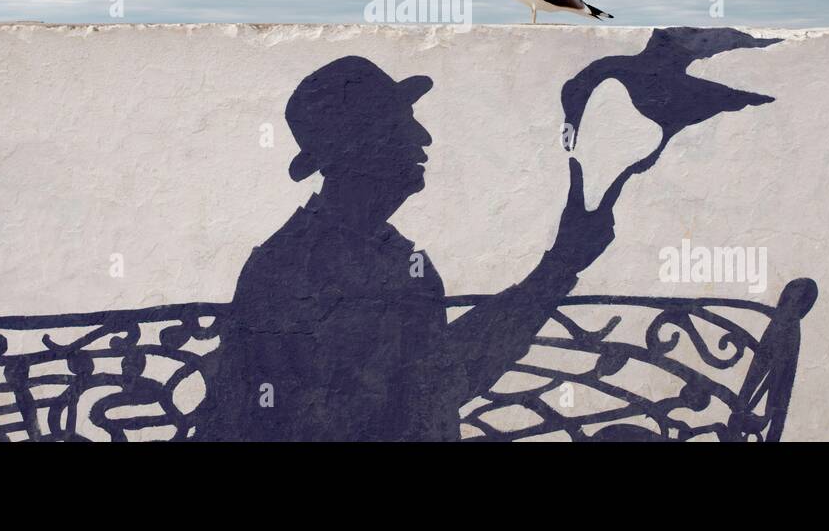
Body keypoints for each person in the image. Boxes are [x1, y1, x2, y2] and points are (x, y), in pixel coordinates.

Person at [199, 56, 629, 441]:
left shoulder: (386, 255)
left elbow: (436, 374)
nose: (423, 137)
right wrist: (558, 267)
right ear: (358, 143)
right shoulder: (300, 265)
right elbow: (424, 388)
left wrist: (562, 263)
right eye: (401, 122)